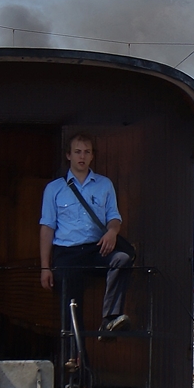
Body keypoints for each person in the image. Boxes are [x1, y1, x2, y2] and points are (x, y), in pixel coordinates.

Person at [39, 133, 132, 333]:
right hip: (66, 253)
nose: (82, 156)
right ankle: (76, 359)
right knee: (72, 308)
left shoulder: (104, 184)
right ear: (68, 155)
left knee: (122, 259)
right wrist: (45, 267)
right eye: (77, 152)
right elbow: (47, 228)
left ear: (92, 156)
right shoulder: (54, 189)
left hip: (94, 248)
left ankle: (110, 319)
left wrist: (112, 232)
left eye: (86, 152)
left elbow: (114, 217)